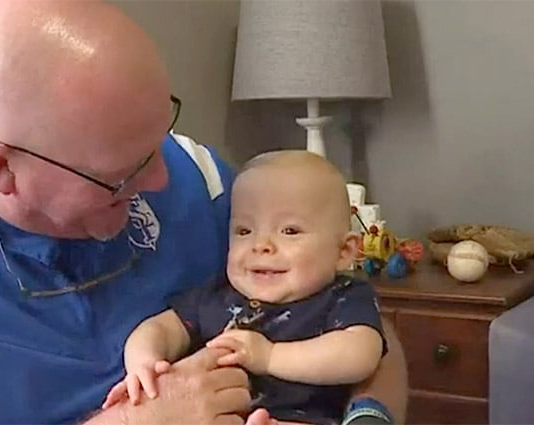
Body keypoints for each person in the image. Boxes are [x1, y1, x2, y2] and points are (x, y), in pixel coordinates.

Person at [0, 1, 407, 424]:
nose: (160, 179)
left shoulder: (200, 180)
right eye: (123, 173)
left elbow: (365, 330)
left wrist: (365, 415)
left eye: (159, 137)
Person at [102, 151, 387, 425]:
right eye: (243, 231)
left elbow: (360, 353)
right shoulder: (215, 295)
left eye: (290, 231)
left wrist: (270, 356)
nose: (260, 245)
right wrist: (144, 362)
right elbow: (159, 328)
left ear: (344, 251)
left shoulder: (342, 297)